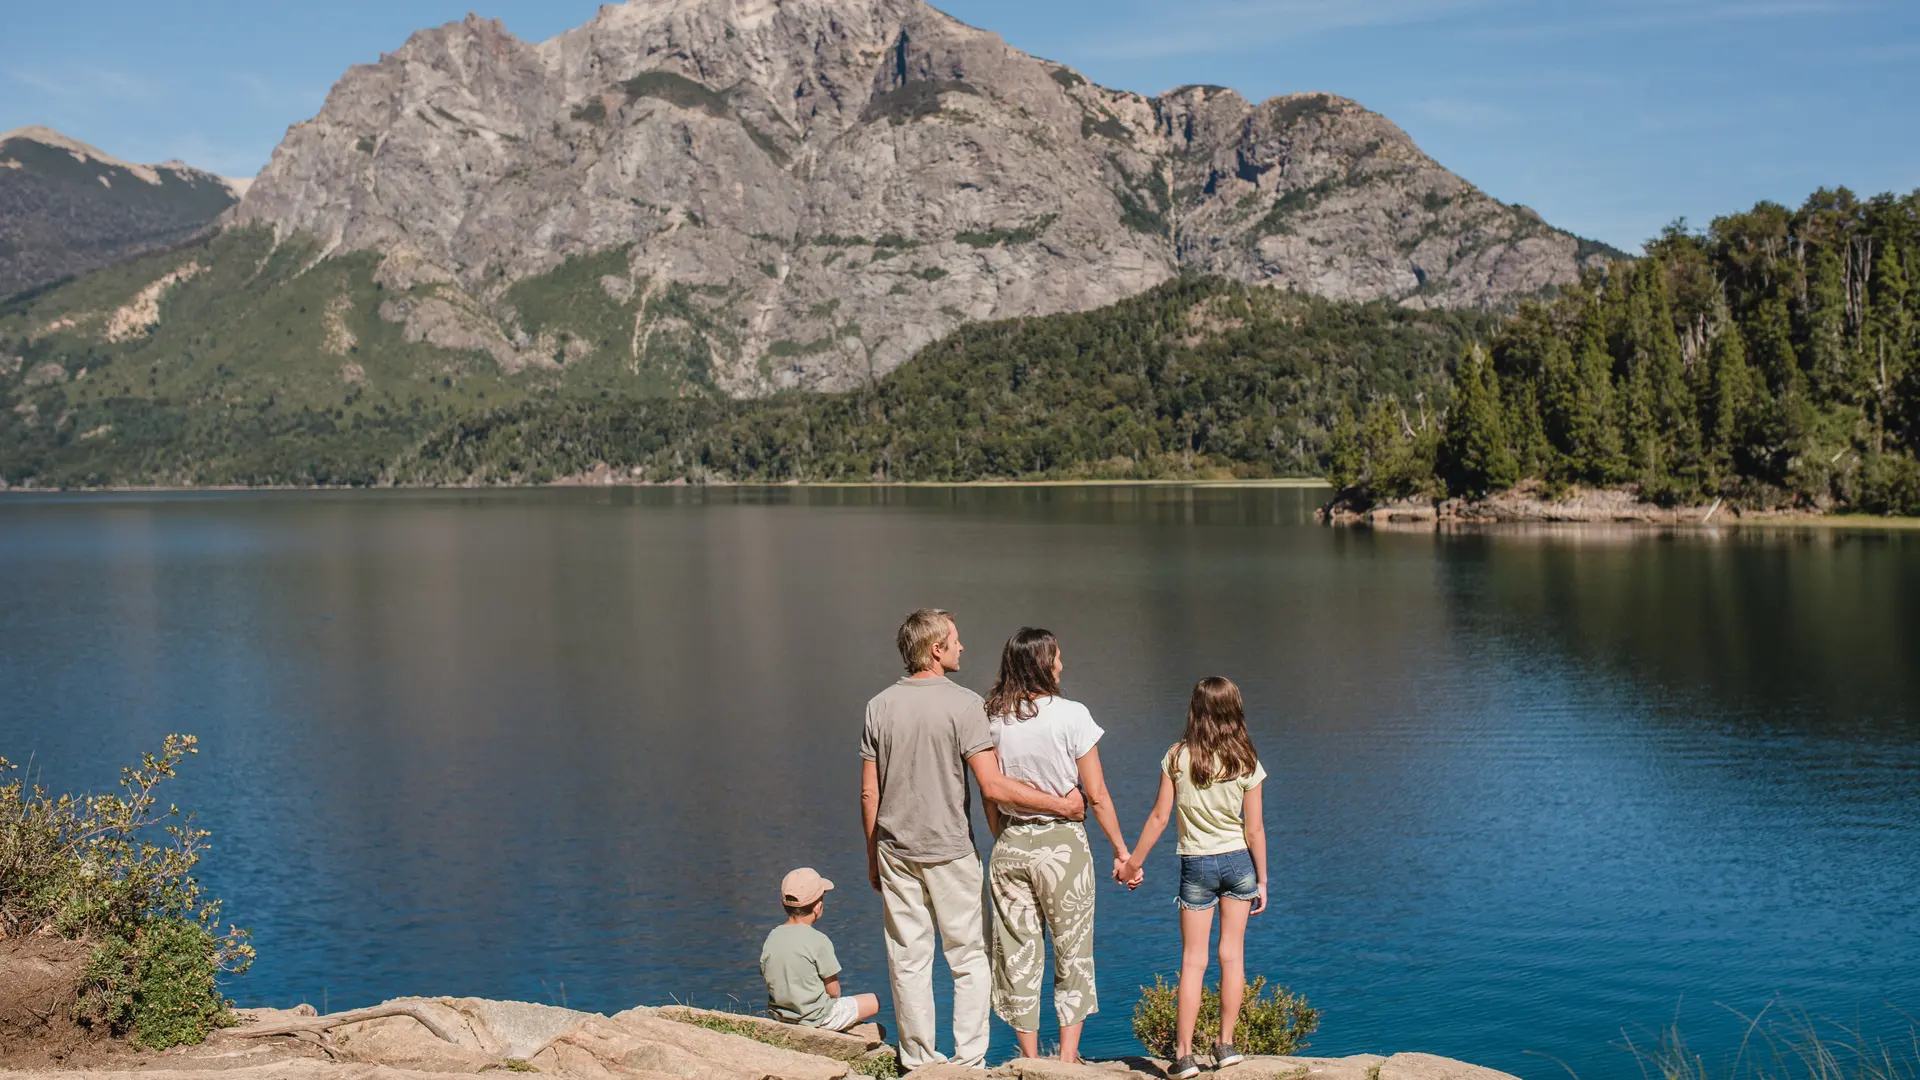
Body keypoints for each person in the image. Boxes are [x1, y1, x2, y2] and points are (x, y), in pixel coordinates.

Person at [860, 608, 1086, 1071]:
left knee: (908, 959)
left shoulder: (878, 706)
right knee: (967, 957)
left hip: (895, 850)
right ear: (936, 650)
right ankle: (968, 1060)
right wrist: (1063, 806)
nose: (963, 647)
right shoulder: (964, 705)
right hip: (950, 851)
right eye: (955, 641)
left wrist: (871, 855)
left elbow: (870, 791)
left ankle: (919, 1060)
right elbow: (993, 787)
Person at [982, 628, 1130, 1065]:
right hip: (1063, 845)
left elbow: (991, 794)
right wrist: (1121, 851)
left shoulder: (993, 718)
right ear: (1043, 663)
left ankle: (1028, 1059)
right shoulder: (1072, 715)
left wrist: (1004, 837)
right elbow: (1097, 794)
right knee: (1073, 950)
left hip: (1010, 843)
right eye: (1057, 656)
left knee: (1016, 953)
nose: (1062, 664)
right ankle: (1067, 1060)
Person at [1118, 677, 1269, 1080]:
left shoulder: (1176, 756)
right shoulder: (1246, 758)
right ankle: (1226, 1046)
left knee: (1193, 961)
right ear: (1234, 710)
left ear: (1195, 709)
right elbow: (1254, 830)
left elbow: (1159, 818)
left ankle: (1184, 1057)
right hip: (1239, 863)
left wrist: (1132, 864)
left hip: (1196, 865)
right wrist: (1263, 880)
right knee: (1231, 956)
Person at [761, 868, 881, 1032]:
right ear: (818, 907)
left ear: (783, 904)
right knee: (874, 1001)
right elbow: (834, 991)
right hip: (817, 1016)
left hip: (781, 1014)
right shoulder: (819, 940)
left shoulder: (772, 937)